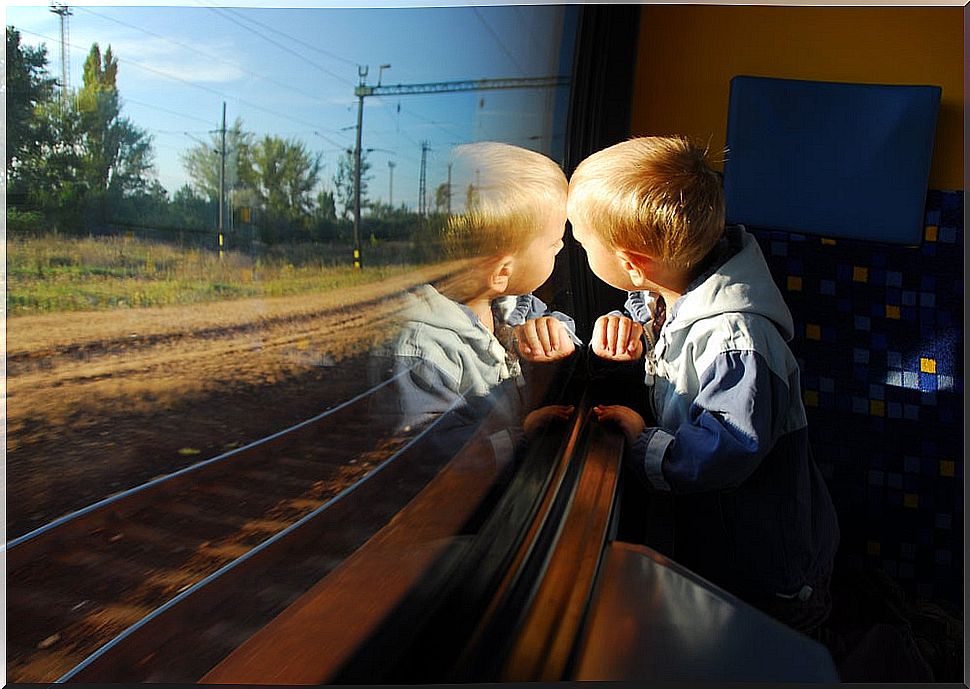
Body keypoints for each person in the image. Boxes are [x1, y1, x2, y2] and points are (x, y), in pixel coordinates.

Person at [567, 135, 839, 634]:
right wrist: (632, 343)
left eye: (584, 246)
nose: (580, 253)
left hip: (765, 567)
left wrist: (640, 440)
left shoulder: (740, 341)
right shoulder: (675, 288)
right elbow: (671, 341)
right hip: (719, 536)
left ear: (631, 263)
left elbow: (727, 448)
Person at [369, 141, 578, 464]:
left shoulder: (513, 307)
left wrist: (558, 341)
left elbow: (569, 348)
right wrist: (522, 436)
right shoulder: (423, 351)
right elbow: (434, 453)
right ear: (502, 272)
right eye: (553, 243)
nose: (562, 246)